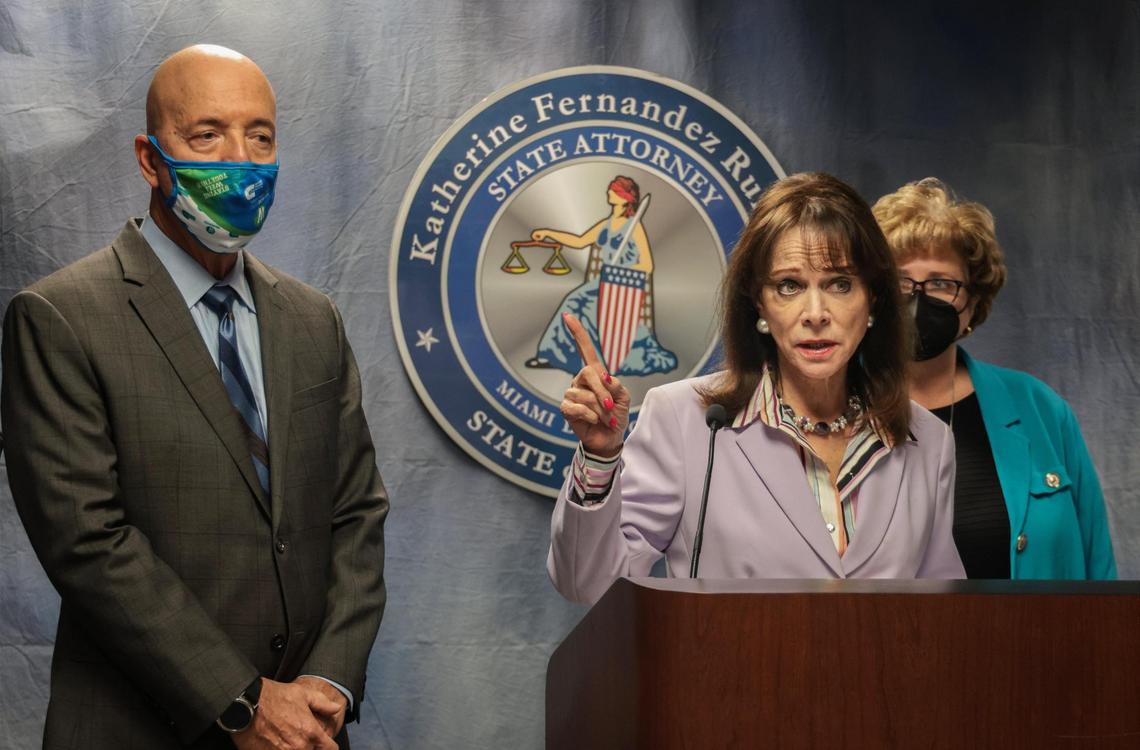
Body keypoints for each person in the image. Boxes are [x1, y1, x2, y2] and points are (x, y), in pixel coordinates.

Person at [1, 45, 388, 749]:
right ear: (150, 159)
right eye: (206, 135)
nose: (240, 159)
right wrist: (242, 703)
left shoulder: (313, 319)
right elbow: (88, 544)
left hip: (307, 733)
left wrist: (329, 684)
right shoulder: (59, 318)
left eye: (260, 136)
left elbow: (356, 511)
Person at [548, 172, 964, 605]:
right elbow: (587, 584)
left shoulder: (930, 442)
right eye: (790, 286)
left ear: (873, 300)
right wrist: (599, 458)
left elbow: (939, 621)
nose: (816, 313)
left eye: (840, 284)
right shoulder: (686, 420)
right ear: (759, 304)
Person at [873, 178, 1116, 579]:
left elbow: (1099, 569)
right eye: (899, 282)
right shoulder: (836, 412)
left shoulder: (1039, 408)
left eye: (940, 283)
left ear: (973, 303)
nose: (918, 299)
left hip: (1040, 641)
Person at [527, 175, 677, 376]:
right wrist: (548, 233)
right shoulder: (606, 224)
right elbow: (580, 241)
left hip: (623, 285)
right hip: (603, 282)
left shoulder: (635, 226)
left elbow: (647, 265)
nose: (608, 192)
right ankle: (555, 356)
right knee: (573, 304)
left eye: (614, 190)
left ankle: (586, 361)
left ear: (625, 198)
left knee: (578, 303)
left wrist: (624, 270)